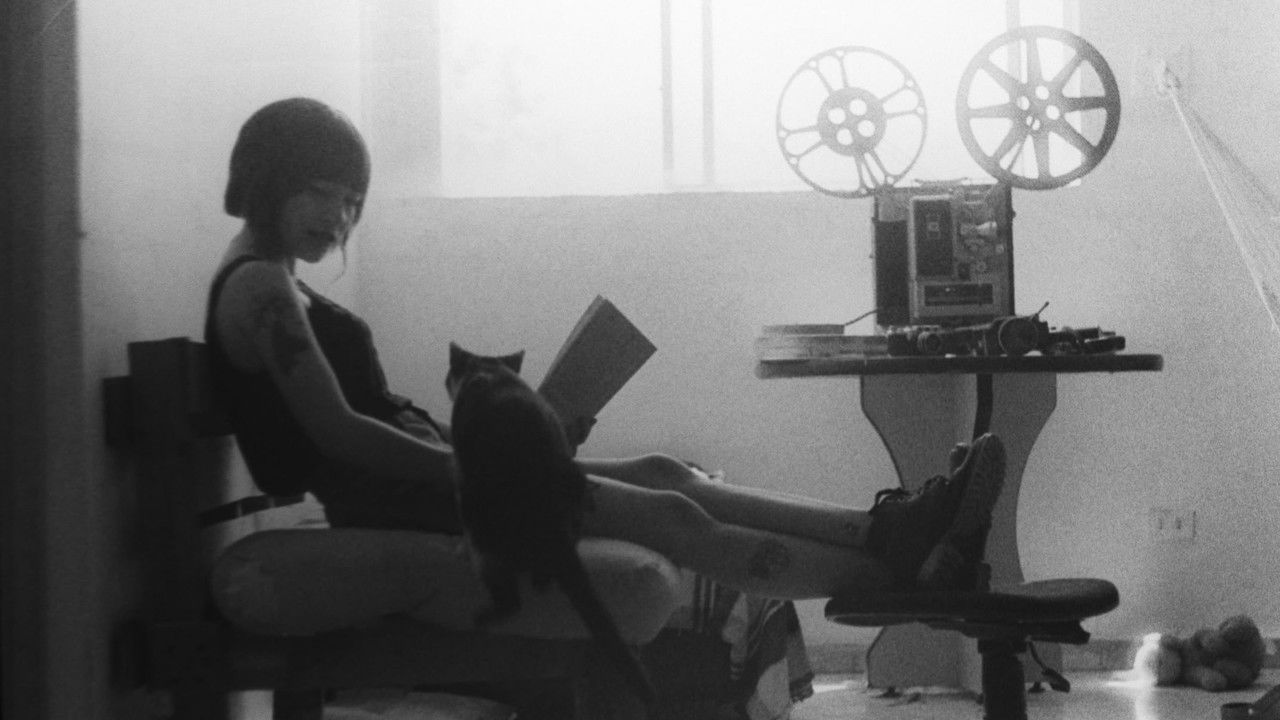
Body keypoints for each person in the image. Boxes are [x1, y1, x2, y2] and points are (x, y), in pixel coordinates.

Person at [205, 97, 1007, 603]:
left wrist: (501, 442)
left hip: (426, 478)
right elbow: (342, 435)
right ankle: (899, 577)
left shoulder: (280, 284)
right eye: (321, 193)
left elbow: (369, 420)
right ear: (268, 175)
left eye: (351, 201)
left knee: (663, 470)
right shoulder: (259, 288)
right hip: (409, 497)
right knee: (670, 513)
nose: (338, 217)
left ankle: (887, 529)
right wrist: (474, 469)